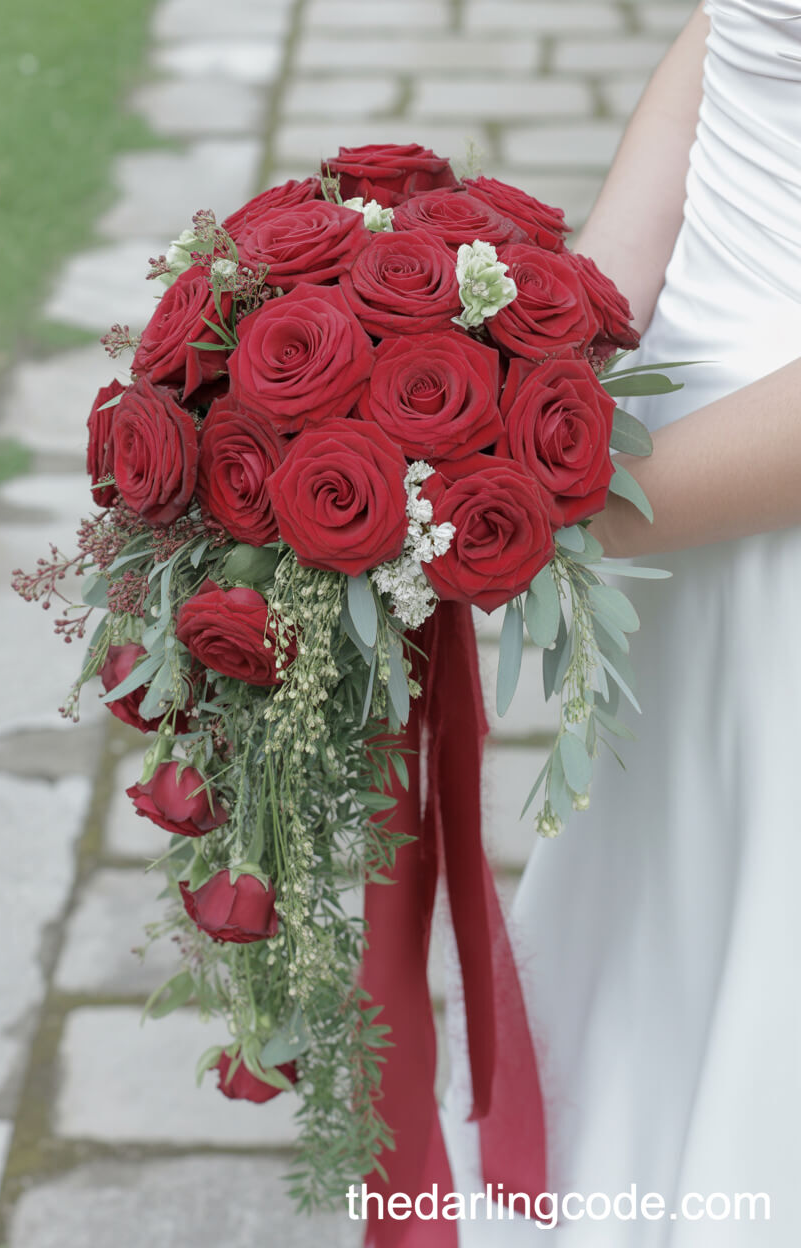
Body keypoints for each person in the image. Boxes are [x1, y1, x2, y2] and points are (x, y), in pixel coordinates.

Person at [443, 2, 801, 1243]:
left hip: (763, 508)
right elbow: (736, 32)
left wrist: (553, 517)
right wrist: (572, 331)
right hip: (680, 443)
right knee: (672, 919)